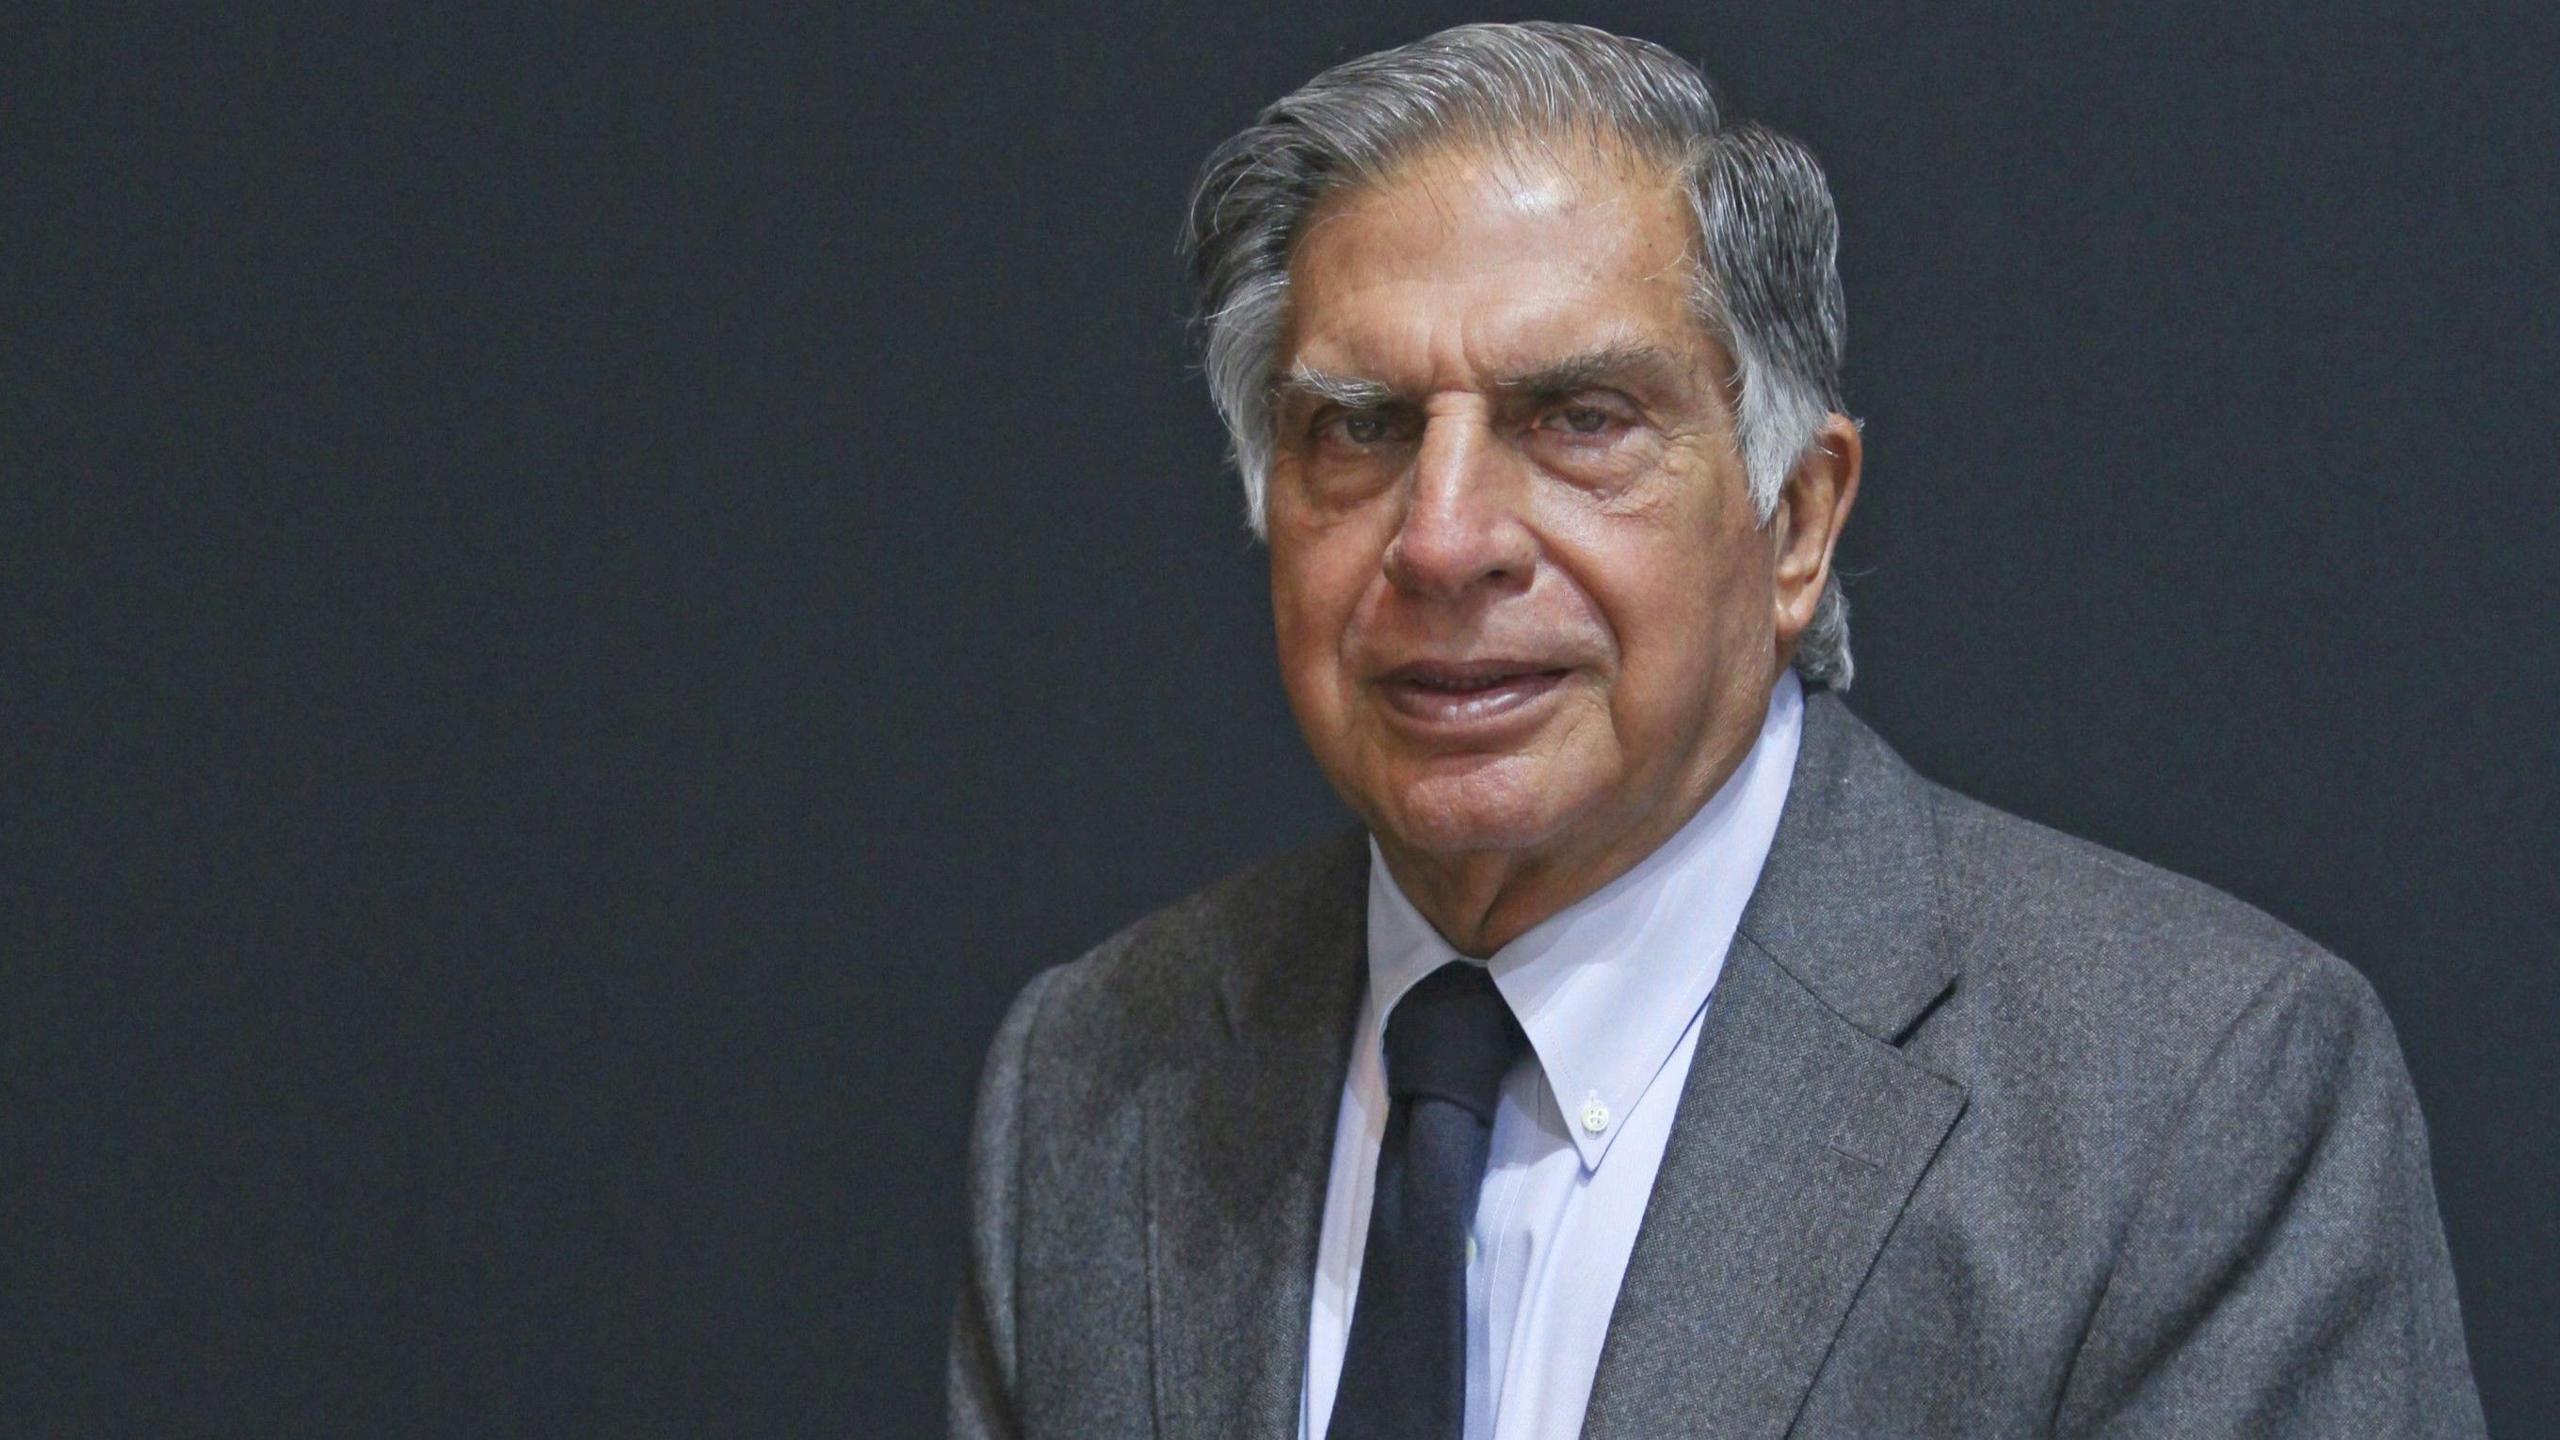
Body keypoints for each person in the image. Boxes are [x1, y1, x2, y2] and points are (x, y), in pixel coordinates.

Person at [949, 22, 2483, 1439]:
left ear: (1797, 520)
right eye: (1358, 429)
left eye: (1582, 422)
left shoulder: (2185, 1101)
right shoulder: (1096, 1078)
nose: (1444, 539)